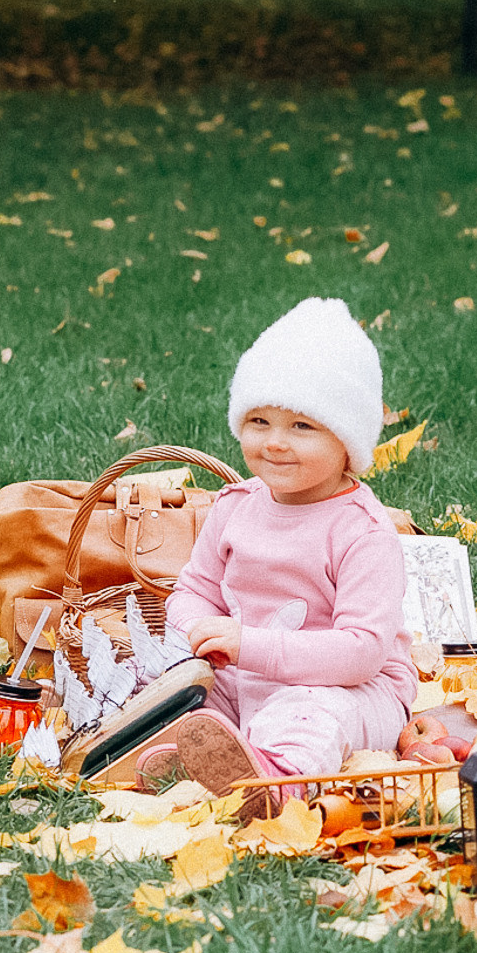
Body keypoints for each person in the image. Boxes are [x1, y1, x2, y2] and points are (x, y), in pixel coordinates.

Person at [126, 298, 416, 807]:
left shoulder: (363, 532)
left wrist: (248, 644)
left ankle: (276, 783)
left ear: (348, 441)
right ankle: (190, 755)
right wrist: (197, 630)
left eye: (303, 426)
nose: (276, 442)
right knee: (170, 683)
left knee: (314, 714)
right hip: (241, 676)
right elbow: (194, 588)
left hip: (352, 690)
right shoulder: (234, 505)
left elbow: (362, 651)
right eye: (259, 421)